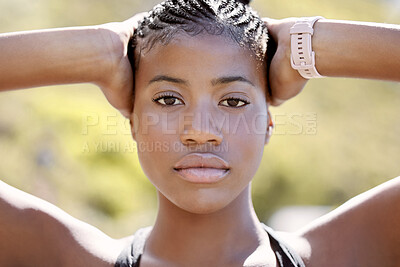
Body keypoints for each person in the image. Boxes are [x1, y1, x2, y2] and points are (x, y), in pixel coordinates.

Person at [0, 0, 399, 266]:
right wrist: (98, 52)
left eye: (234, 102)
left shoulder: (350, 250)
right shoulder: (59, 254)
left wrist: (307, 47)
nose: (201, 132)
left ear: (268, 124)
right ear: (134, 122)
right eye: (170, 100)